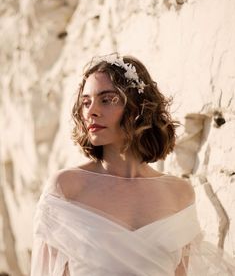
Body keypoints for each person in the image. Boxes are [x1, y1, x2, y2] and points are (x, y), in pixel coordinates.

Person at [30, 54, 235, 275]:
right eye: (86, 102)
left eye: (106, 99)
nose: (91, 111)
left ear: (137, 107)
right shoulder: (66, 188)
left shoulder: (180, 194)